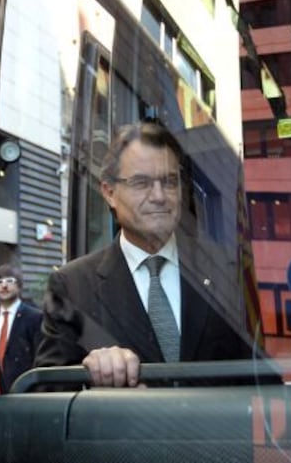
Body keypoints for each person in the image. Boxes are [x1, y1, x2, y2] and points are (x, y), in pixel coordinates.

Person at [35, 121, 252, 388]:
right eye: (141, 183)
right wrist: (89, 378)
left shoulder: (224, 270)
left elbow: (257, 378)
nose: (159, 196)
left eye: (169, 181)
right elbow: (46, 396)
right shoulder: (72, 286)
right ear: (110, 193)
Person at [0, 264, 42, 394]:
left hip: (20, 395)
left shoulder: (34, 317)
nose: (4, 286)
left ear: (19, 286)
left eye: (9, 281)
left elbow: (39, 360)